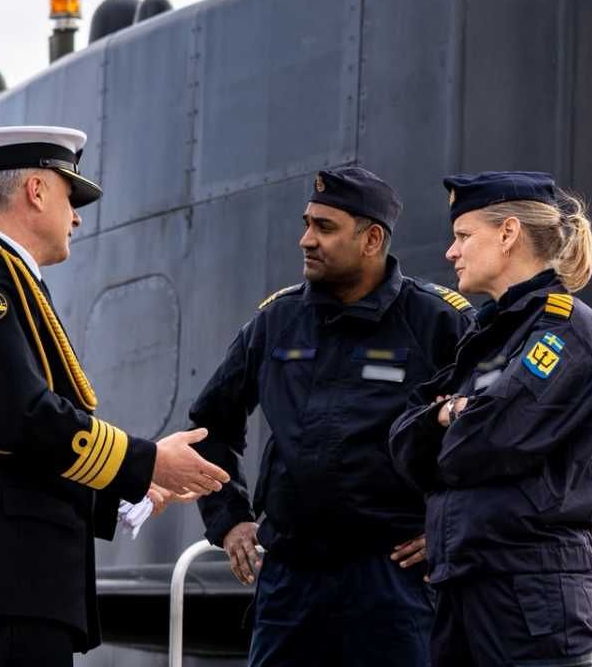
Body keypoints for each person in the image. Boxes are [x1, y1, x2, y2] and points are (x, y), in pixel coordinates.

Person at [0, 125, 230, 667]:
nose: (78, 216)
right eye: (70, 196)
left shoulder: (8, 276)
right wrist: (147, 458)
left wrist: (141, 488)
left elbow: (26, 452)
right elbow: (16, 419)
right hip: (10, 574)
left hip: (20, 579)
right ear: (36, 191)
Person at [187, 165, 473, 667]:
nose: (306, 240)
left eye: (324, 227)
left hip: (394, 583)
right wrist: (230, 521)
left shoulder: (439, 322)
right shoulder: (277, 320)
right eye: (306, 223)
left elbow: (492, 435)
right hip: (291, 582)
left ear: (372, 239)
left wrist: (451, 528)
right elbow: (210, 428)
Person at [389, 172, 592, 667]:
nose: (451, 253)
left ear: (508, 233)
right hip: (465, 584)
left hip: (531, 592)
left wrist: (449, 426)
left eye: (463, 236)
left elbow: (494, 437)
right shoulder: (486, 336)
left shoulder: (566, 330)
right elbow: (405, 442)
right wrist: (451, 414)